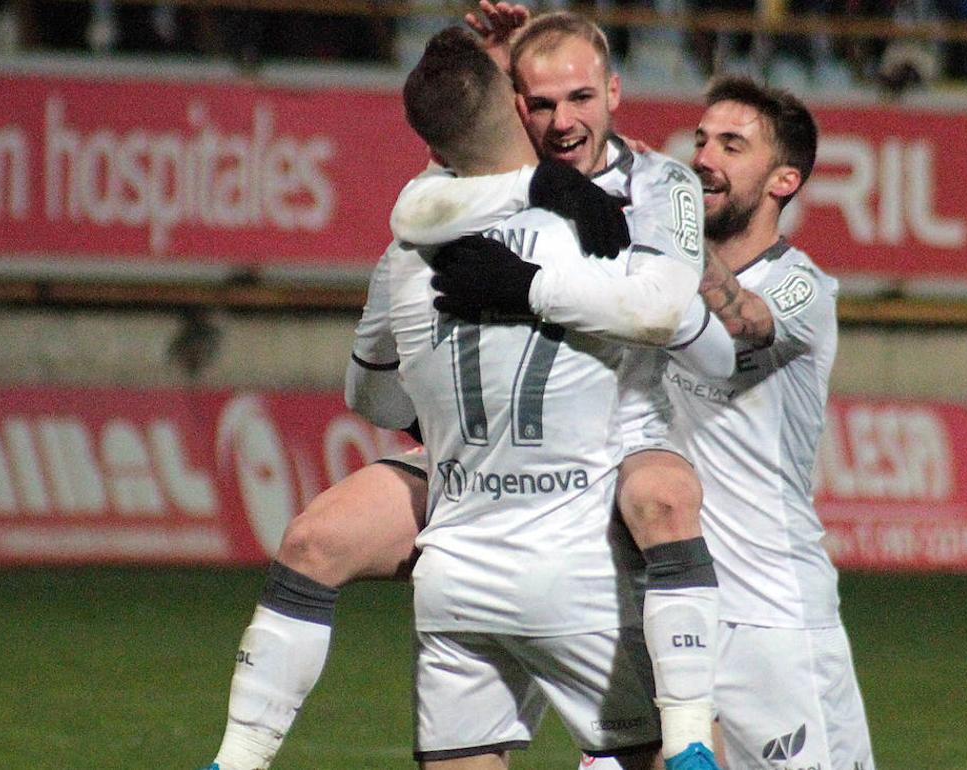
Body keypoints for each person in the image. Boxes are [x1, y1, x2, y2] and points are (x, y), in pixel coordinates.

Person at [199, 8, 721, 770]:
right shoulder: (443, 201)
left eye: (580, 98)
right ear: (513, 103)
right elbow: (416, 205)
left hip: (622, 432)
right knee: (315, 538)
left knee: (662, 499)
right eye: (540, 103)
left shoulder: (659, 179)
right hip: (482, 460)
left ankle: (691, 742)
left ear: (614, 91)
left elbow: (666, 311)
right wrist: (533, 175)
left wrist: (528, 287)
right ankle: (236, 758)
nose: (562, 119)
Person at [427, 74, 878, 770]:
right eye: (700, 141)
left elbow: (744, 323)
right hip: (659, 608)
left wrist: (667, 220)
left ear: (785, 180)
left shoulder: (800, 286)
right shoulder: (642, 281)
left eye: (734, 145)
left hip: (769, 619)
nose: (705, 158)